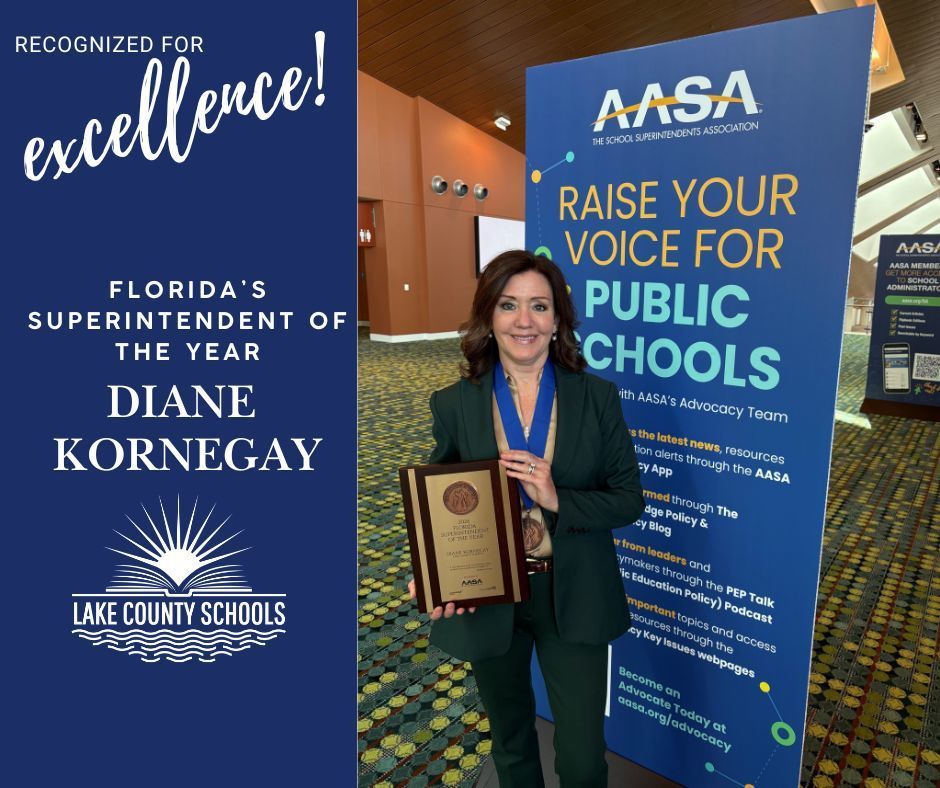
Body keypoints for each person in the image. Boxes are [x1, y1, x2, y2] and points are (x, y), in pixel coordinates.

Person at [409, 250, 645, 787]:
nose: (524, 321)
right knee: (511, 739)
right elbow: (440, 500)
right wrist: (434, 569)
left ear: (558, 319)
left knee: (583, 754)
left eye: (539, 306)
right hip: (489, 590)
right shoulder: (454, 404)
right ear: (488, 316)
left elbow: (629, 500)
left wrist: (555, 495)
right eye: (508, 305)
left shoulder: (597, 398)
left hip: (574, 591)